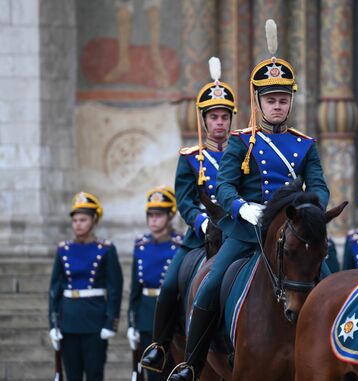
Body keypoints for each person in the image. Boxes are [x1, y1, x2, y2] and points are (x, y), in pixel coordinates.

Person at [167, 19, 330, 381]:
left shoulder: (306, 145)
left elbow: (320, 187)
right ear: (258, 101)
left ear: (290, 101)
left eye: (283, 99)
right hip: (245, 234)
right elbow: (224, 186)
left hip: (292, 232)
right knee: (208, 285)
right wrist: (242, 207)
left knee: (332, 282)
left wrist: (310, 210)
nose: (277, 106)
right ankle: (191, 365)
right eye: (271, 99)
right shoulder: (242, 142)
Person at [140, 57, 238, 373]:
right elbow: (184, 201)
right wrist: (203, 221)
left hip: (236, 234)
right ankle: (159, 346)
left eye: (224, 117)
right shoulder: (190, 159)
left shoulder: (245, 155)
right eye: (214, 117)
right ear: (204, 121)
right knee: (169, 286)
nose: (220, 123)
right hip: (200, 239)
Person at [48, 192, 123, 381]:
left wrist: (110, 321)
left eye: (83, 220)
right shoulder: (63, 250)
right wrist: (53, 324)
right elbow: (54, 290)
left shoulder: (106, 250)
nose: (78, 224)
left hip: (94, 319)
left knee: (94, 374)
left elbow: (115, 288)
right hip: (69, 320)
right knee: (72, 375)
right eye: (75, 220)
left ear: (94, 221)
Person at [127, 186, 182, 381]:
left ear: (170, 216)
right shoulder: (140, 246)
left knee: (172, 370)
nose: (153, 220)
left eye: (158, 215)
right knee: (151, 374)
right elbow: (135, 289)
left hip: (172, 317)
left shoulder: (180, 245)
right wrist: (131, 322)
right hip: (146, 315)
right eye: (150, 215)